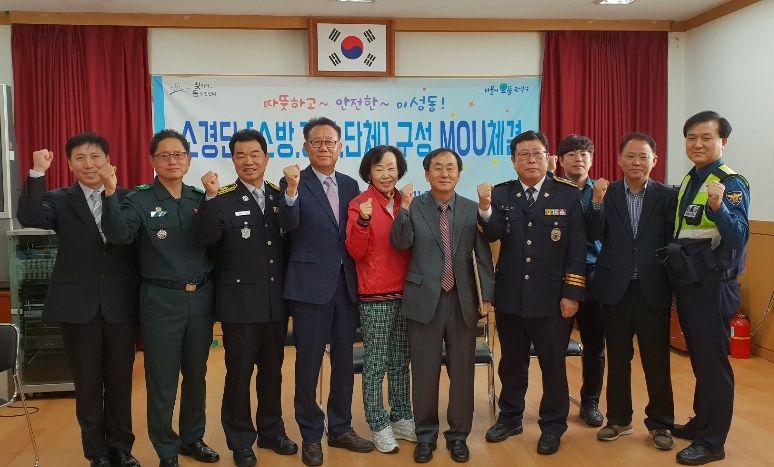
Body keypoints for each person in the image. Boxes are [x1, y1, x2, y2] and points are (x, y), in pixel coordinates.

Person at [16, 133, 140, 467]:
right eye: (80, 158)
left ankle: (122, 448)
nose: (89, 164)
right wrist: (37, 173)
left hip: (120, 304)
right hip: (78, 305)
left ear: (109, 160)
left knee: (120, 382)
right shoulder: (58, 199)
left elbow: (124, 236)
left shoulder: (128, 197)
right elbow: (31, 217)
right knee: (87, 384)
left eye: (96, 156)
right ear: (69, 164)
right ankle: (96, 452)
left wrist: (111, 192)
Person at [100, 129, 218, 467]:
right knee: (162, 380)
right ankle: (167, 449)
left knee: (196, 375)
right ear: (152, 161)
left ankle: (192, 438)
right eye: (164, 155)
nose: (172, 161)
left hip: (200, 298)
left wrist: (212, 199)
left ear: (188, 160)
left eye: (178, 155)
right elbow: (119, 235)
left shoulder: (201, 198)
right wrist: (110, 191)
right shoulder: (138, 200)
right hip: (160, 300)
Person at [478, 130, 586, 455]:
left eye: (537, 153)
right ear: (513, 161)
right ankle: (510, 417)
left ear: (548, 157)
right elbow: (492, 233)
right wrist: (485, 208)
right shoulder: (501, 193)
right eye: (523, 155)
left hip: (552, 298)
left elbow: (577, 247)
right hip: (511, 296)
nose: (530, 160)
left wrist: (572, 293)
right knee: (512, 364)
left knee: (553, 366)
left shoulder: (568, 194)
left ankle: (552, 425)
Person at [197, 129, 298, 467]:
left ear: (266, 158)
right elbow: (207, 238)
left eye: (255, 154)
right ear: (233, 160)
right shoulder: (222, 197)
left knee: (272, 373)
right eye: (240, 155)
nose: (248, 161)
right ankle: (240, 440)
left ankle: (271, 432)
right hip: (239, 304)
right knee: (238, 375)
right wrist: (209, 198)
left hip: (274, 303)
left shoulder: (280, 195)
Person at [278, 117, 374, 466]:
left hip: (345, 287)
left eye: (330, 141)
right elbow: (288, 224)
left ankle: (340, 428)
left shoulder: (350, 185)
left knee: (344, 363)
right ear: (306, 147)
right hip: (309, 288)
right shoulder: (293, 183)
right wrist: (290, 192)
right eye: (316, 142)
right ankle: (310, 434)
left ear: (340, 147)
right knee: (308, 363)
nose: (323, 147)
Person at [390, 148, 495, 464]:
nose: (444, 173)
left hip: (462, 301)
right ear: (426, 174)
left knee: (462, 373)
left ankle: (458, 435)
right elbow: (400, 242)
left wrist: (486, 296)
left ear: (459, 175)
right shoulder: (414, 206)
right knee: (424, 373)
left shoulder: (471, 209)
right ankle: (425, 436)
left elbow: (483, 256)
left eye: (451, 167)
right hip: (424, 300)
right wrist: (403, 208)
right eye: (437, 167)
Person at [668, 111, 750, 466]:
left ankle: (713, 441)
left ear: (723, 142)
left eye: (706, 137)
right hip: (691, 282)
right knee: (701, 360)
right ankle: (701, 422)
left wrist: (718, 208)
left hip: (714, 286)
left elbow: (738, 236)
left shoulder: (730, 183)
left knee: (714, 365)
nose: (697, 144)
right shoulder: (691, 179)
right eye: (691, 138)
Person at [587, 132, 675, 451]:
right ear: (619, 160)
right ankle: (619, 419)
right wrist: (596, 203)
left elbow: (673, 239)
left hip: (653, 289)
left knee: (657, 360)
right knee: (618, 357)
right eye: (630, 156)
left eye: (643, 156)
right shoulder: (606, 193)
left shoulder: (668, 195)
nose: (636, 162)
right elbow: (593, 233)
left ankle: (661, 423)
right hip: (615, 290)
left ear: (654, 160)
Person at [345, 145, 415, 454]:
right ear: (369, 172)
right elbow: (355, 251)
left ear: (399, 170)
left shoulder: (407, 201)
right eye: (379, 168)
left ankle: (401, 417)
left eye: (391, 168)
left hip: (408, 293)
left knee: (400, 360)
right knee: (376, 363)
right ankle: (378, 424)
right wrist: (363, 221)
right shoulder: (359, 204)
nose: (386, 174)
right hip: (375, 295)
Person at [555, 134, 605, 427]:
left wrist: (596, 201)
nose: (579, 159)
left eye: (584, 154)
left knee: (594, 345)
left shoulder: (603, 192)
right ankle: (556, 404)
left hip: (593, 275)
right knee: (554, 344)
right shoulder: (551, 191)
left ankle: (590, 402)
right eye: (572, 154)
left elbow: (600, 232)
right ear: (561, 161)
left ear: (591, 160)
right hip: (557, 277)